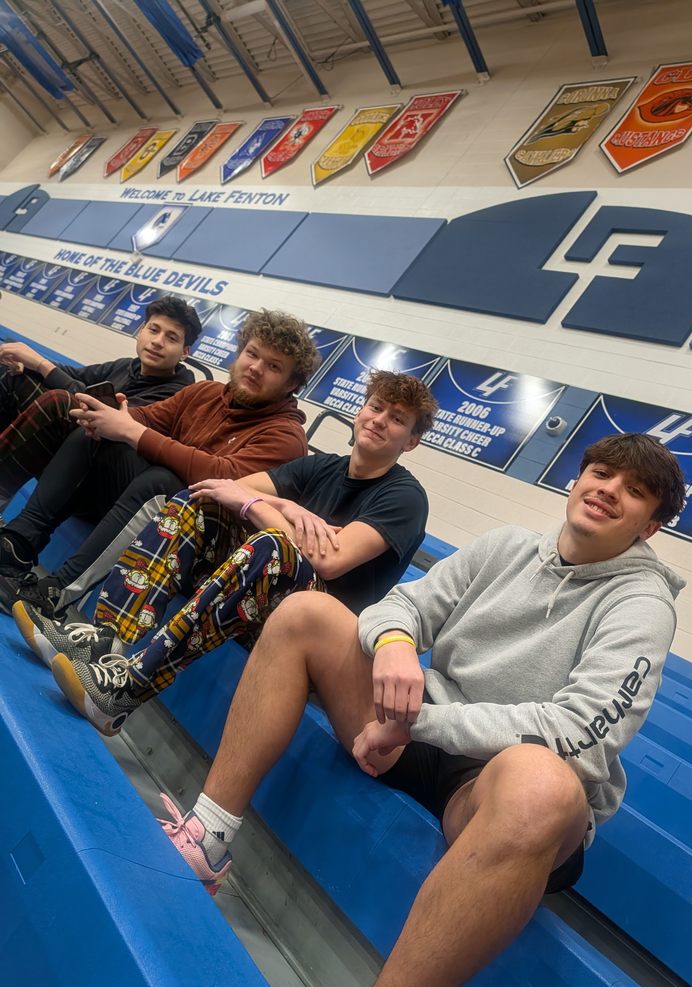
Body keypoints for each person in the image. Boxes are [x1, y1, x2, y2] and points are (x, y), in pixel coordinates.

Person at [100, 432, 685, 987]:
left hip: (493, 785)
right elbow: (401, 606)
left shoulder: (642, 604)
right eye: (602, 474)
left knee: (543, 785)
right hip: (415, 730)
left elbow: (579, 731)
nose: (609, 492)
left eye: (634, 493)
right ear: (578, 479)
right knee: (307, 613)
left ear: (650, 527)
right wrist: (398, 643)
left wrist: (423, 723)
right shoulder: (509, 547)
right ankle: (208, 835)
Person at [21, 370, 435, 738]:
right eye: (376, 407)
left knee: (272, 548)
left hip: (316, 640)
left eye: (396, 419)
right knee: (196, 502)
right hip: (258, 599)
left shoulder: (405, 498)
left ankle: (126, 690)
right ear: (361, 411)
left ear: (412, 441)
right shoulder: (324, 466)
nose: (379, 420)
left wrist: (259, 507)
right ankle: (105, 643)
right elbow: (230, 487)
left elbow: (328, 560)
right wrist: (288, 507)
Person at [0, 308, 316, 617]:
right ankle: (17, 546)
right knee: (95, 433)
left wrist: (132, 430)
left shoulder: (285, 436)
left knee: (165, 483)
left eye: (273, 366)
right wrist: (116, 415)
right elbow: (146, 418)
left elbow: (222, 478)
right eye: (252, 353)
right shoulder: (205, 392)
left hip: (198, 547)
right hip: (143, 510)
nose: (256, 367)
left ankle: (58, 590)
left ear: (291, 384)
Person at [0, 294, 198, 512]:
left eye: (171, 338)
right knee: (13, 374)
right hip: (69, 451)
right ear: (141, 329)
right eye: (153, 330)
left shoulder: (180, 393)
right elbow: (73, 374)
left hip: (97, 479)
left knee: (60, 402)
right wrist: (27, 363)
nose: (157, 341)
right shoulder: (127, 365)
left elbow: (107, 416)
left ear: (185, 352)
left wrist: (42, 365)